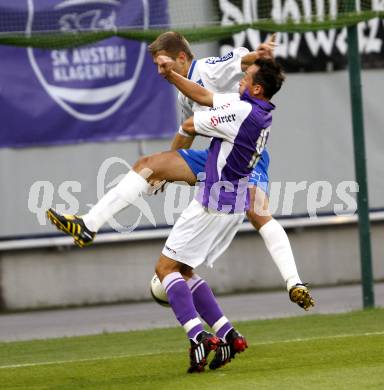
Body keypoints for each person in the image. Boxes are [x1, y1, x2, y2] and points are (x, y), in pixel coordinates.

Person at [47, 32, 314, 314]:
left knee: (258, 213)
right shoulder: (183, 92)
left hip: (245, 153)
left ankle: (293, 282)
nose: (159, 68)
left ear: (182, 58)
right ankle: (88, 223)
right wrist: (165, 166)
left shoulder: (209, 67)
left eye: (163, 62)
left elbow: (240, 61)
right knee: (148, 164)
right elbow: (186, 131)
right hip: (216, 152)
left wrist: (257, 57)